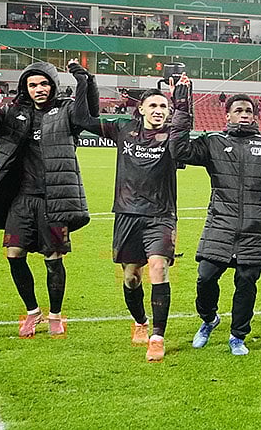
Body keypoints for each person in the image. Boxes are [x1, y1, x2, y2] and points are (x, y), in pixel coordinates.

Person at [173, 89, 261, 356]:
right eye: (239, 111)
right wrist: (183, 109)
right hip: (220, 225)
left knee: (246, 283)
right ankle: (209, 319)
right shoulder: (213, 142)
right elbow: (180, 150)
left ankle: (237, 336)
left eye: (248, 111)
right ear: (228, 114)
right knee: (205, 277)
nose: (244, 115)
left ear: (254, 115)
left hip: (253, 230)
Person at [0, 61, 94, 338]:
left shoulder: (66, 112)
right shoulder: (12, 113)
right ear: (25, 88)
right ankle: (32, 312)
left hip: (55, 199)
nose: (39, 89)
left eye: (44, 83)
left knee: (53, 259)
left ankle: (55, 314)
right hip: (21, 199)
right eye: (33, 84)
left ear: (52, 85)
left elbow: (88, 115)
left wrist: (84, 80)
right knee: (14, 255)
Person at [74, 80, 182, 362]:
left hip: (161, 216)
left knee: (158, 268)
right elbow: (83, 118)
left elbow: (186, 127)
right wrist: (84, 83)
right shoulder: (123, 129)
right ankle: (140, 321)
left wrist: (183, 98)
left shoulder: (173, 136)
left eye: (164, 106)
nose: (159, 110)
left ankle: (157, 337)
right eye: (154, 105)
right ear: (142, 108)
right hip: (127, 214)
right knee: (132, 277)